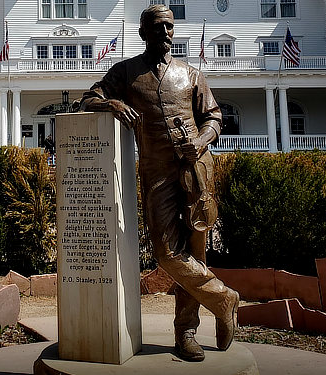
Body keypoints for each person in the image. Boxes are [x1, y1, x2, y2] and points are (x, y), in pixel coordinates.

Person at [80, 4, 239, 362]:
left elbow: (214, 118)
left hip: (197, 171)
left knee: (195, 253)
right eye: (158, 27)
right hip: (155, 173)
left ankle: (186, 333)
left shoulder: (191, 74)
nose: (166, 32)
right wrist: (114, 105)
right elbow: (89, 98)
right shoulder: (126, 72)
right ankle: (222, 298)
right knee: (167, 253)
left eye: (169, 27)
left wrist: (198, 142)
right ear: (143, 33)